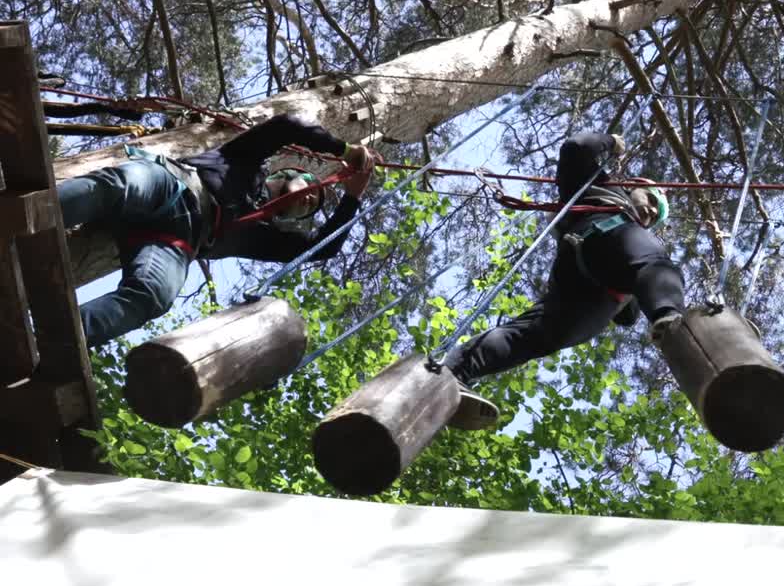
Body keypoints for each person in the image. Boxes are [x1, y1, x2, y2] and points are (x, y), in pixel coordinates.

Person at [59, 114, 375, 348]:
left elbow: (323, 248)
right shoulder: (244, 159)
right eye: (311, 188)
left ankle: (55, 340)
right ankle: (39, 213)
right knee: (118, 186)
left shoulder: (263, 236)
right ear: (288, 173)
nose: (310, 199)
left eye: (310, 208)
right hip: (171, 186)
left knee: (155, 296)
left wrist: (353, 197)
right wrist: (345, 151)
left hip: (173, 244)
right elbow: (286, 126)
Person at [442, 130, 686, 408]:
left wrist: (641, 292)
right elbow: (576, 147)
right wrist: (611, 141)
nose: (652, 213)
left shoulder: (638, 241)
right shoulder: (599, 186)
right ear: (631, 186)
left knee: (532, 336)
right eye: (652, 200)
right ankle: (676, 325)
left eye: (657, 216)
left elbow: (627, 317)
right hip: (598, 240)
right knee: (659, 264)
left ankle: (451, 375)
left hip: (595, 298)